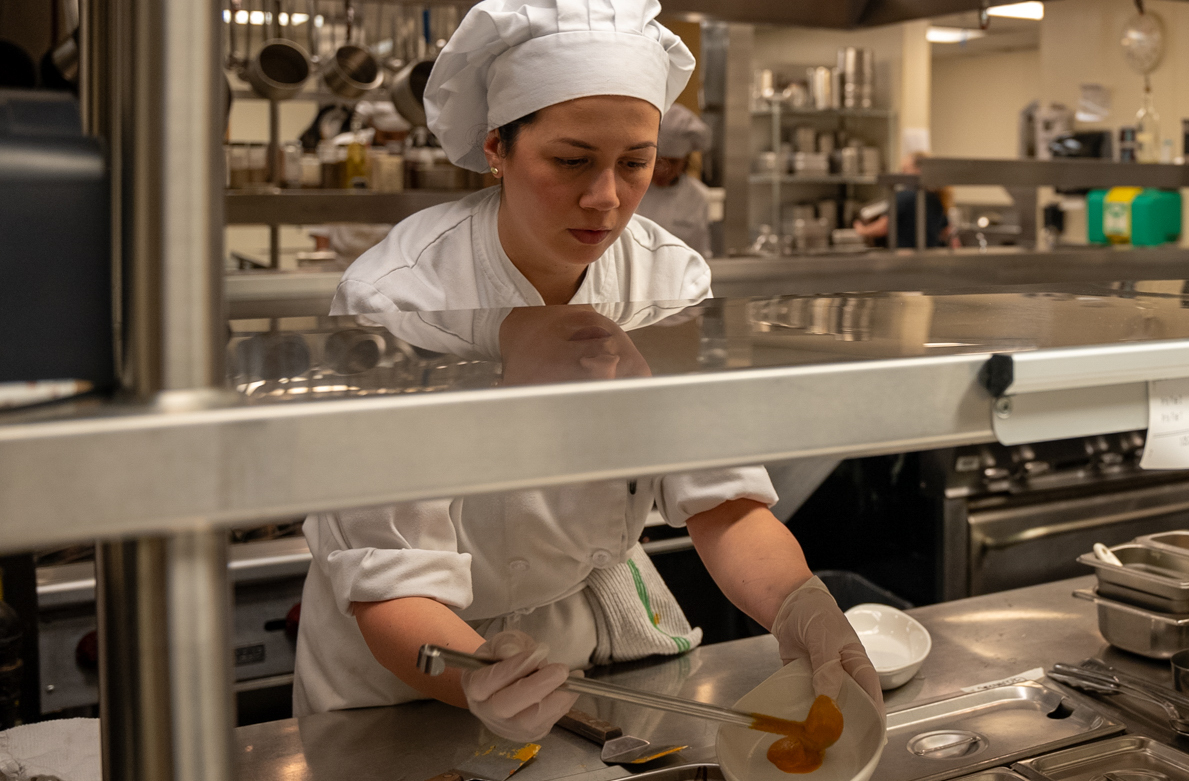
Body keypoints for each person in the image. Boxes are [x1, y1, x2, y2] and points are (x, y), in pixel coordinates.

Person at [301, 0, 880, 740]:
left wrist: (802, 605)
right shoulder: (401, 295)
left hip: (567, 659)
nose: (607, 199)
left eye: (635, 163)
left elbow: (721, 500)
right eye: (571, 161)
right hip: (400, 676)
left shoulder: (664, 280)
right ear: (496, 149)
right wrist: (478, 674)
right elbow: (387, 585)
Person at [637, 105, 716, 257]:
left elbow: (700, 253)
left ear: (685, 161)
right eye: (657, 161)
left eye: (673, 162)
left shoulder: (698, 197)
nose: (662, 170)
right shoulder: (630, 189)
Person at [853, 153, 951, 249]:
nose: (902, 173)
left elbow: (884, 227)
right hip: (930, 257)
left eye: (905, 169)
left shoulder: (904, 197)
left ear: (918, 170)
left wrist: (863, 230)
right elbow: (945, 232)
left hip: (905, 257)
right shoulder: (935, 198)